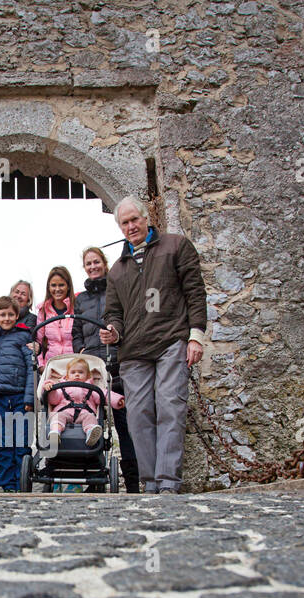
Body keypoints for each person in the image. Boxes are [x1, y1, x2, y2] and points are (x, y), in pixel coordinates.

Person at [99, 196, 207, 494]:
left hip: (171, 341)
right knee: (138, 416)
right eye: (125, 222)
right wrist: (113, 331)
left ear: (146, 218)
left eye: (135, 219)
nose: (131, 226)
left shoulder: (176, 246)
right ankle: (151, 483)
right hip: (133, 352)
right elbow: (114, 313)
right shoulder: (117, 270)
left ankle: (169, 483)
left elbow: (195, 292)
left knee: (171, 407)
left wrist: (196, 335)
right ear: (120, 227)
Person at [73, 244, 140, 493]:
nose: (93, 266)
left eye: (96, 262)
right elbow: (76, 330)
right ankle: (95, 480)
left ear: (104, 262)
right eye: (88, 263)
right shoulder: (81, 299)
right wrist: (81, 352)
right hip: (93, 368)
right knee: (93, 420)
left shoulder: (117, 289)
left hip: (117, 363)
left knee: (125, 423)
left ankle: (133, 482)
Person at [0, 297, 35, 491]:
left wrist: (29, 398)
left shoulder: (24, 337)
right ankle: (7, 484)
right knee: (4, 444)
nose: (7, 318)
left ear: (16, 316)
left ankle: (23, 481)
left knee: (21, 443)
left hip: (19, 398)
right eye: (2, 314)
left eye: (10, 314)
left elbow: (31, 369)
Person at [42, 357, 124, 448]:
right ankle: (55, 433)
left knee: (90, 417)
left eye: (81, 372)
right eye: (73, 372)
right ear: (67, 375)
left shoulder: (91, 388)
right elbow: (54, 399)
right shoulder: (62, 387)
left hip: (84, 413)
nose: (77, 375)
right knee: (58, 416)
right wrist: (51, 389)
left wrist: (117, 400)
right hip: (65, 412)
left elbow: (104, 395)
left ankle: (91, 433)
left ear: (88, 375)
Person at [32, 266, 78, 366]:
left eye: (61, 285)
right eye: (53, 285)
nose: (57, 289)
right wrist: (41, 365)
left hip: (75, 366)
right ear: (48, 287)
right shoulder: (43, 311)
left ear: (68, 286)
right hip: (53, 366)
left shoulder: (77, 308)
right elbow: (38, 342)